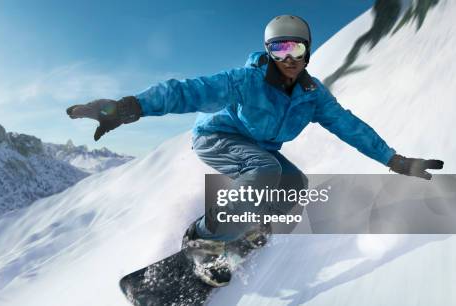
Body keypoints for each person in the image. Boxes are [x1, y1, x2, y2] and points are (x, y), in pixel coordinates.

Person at [66, 15, 443, 287]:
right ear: (269, 52)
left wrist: (395, 160)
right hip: (217, 137)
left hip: (255, 147)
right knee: (265, 171)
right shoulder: (246, 81)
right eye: (279, 48)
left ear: (307, 52)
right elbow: (187, 91)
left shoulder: (313, 98)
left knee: (293, 184)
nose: (289, 57)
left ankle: (249, 225)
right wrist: (127, 107)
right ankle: (203, 237)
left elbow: (349, 126)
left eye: (296, 47)